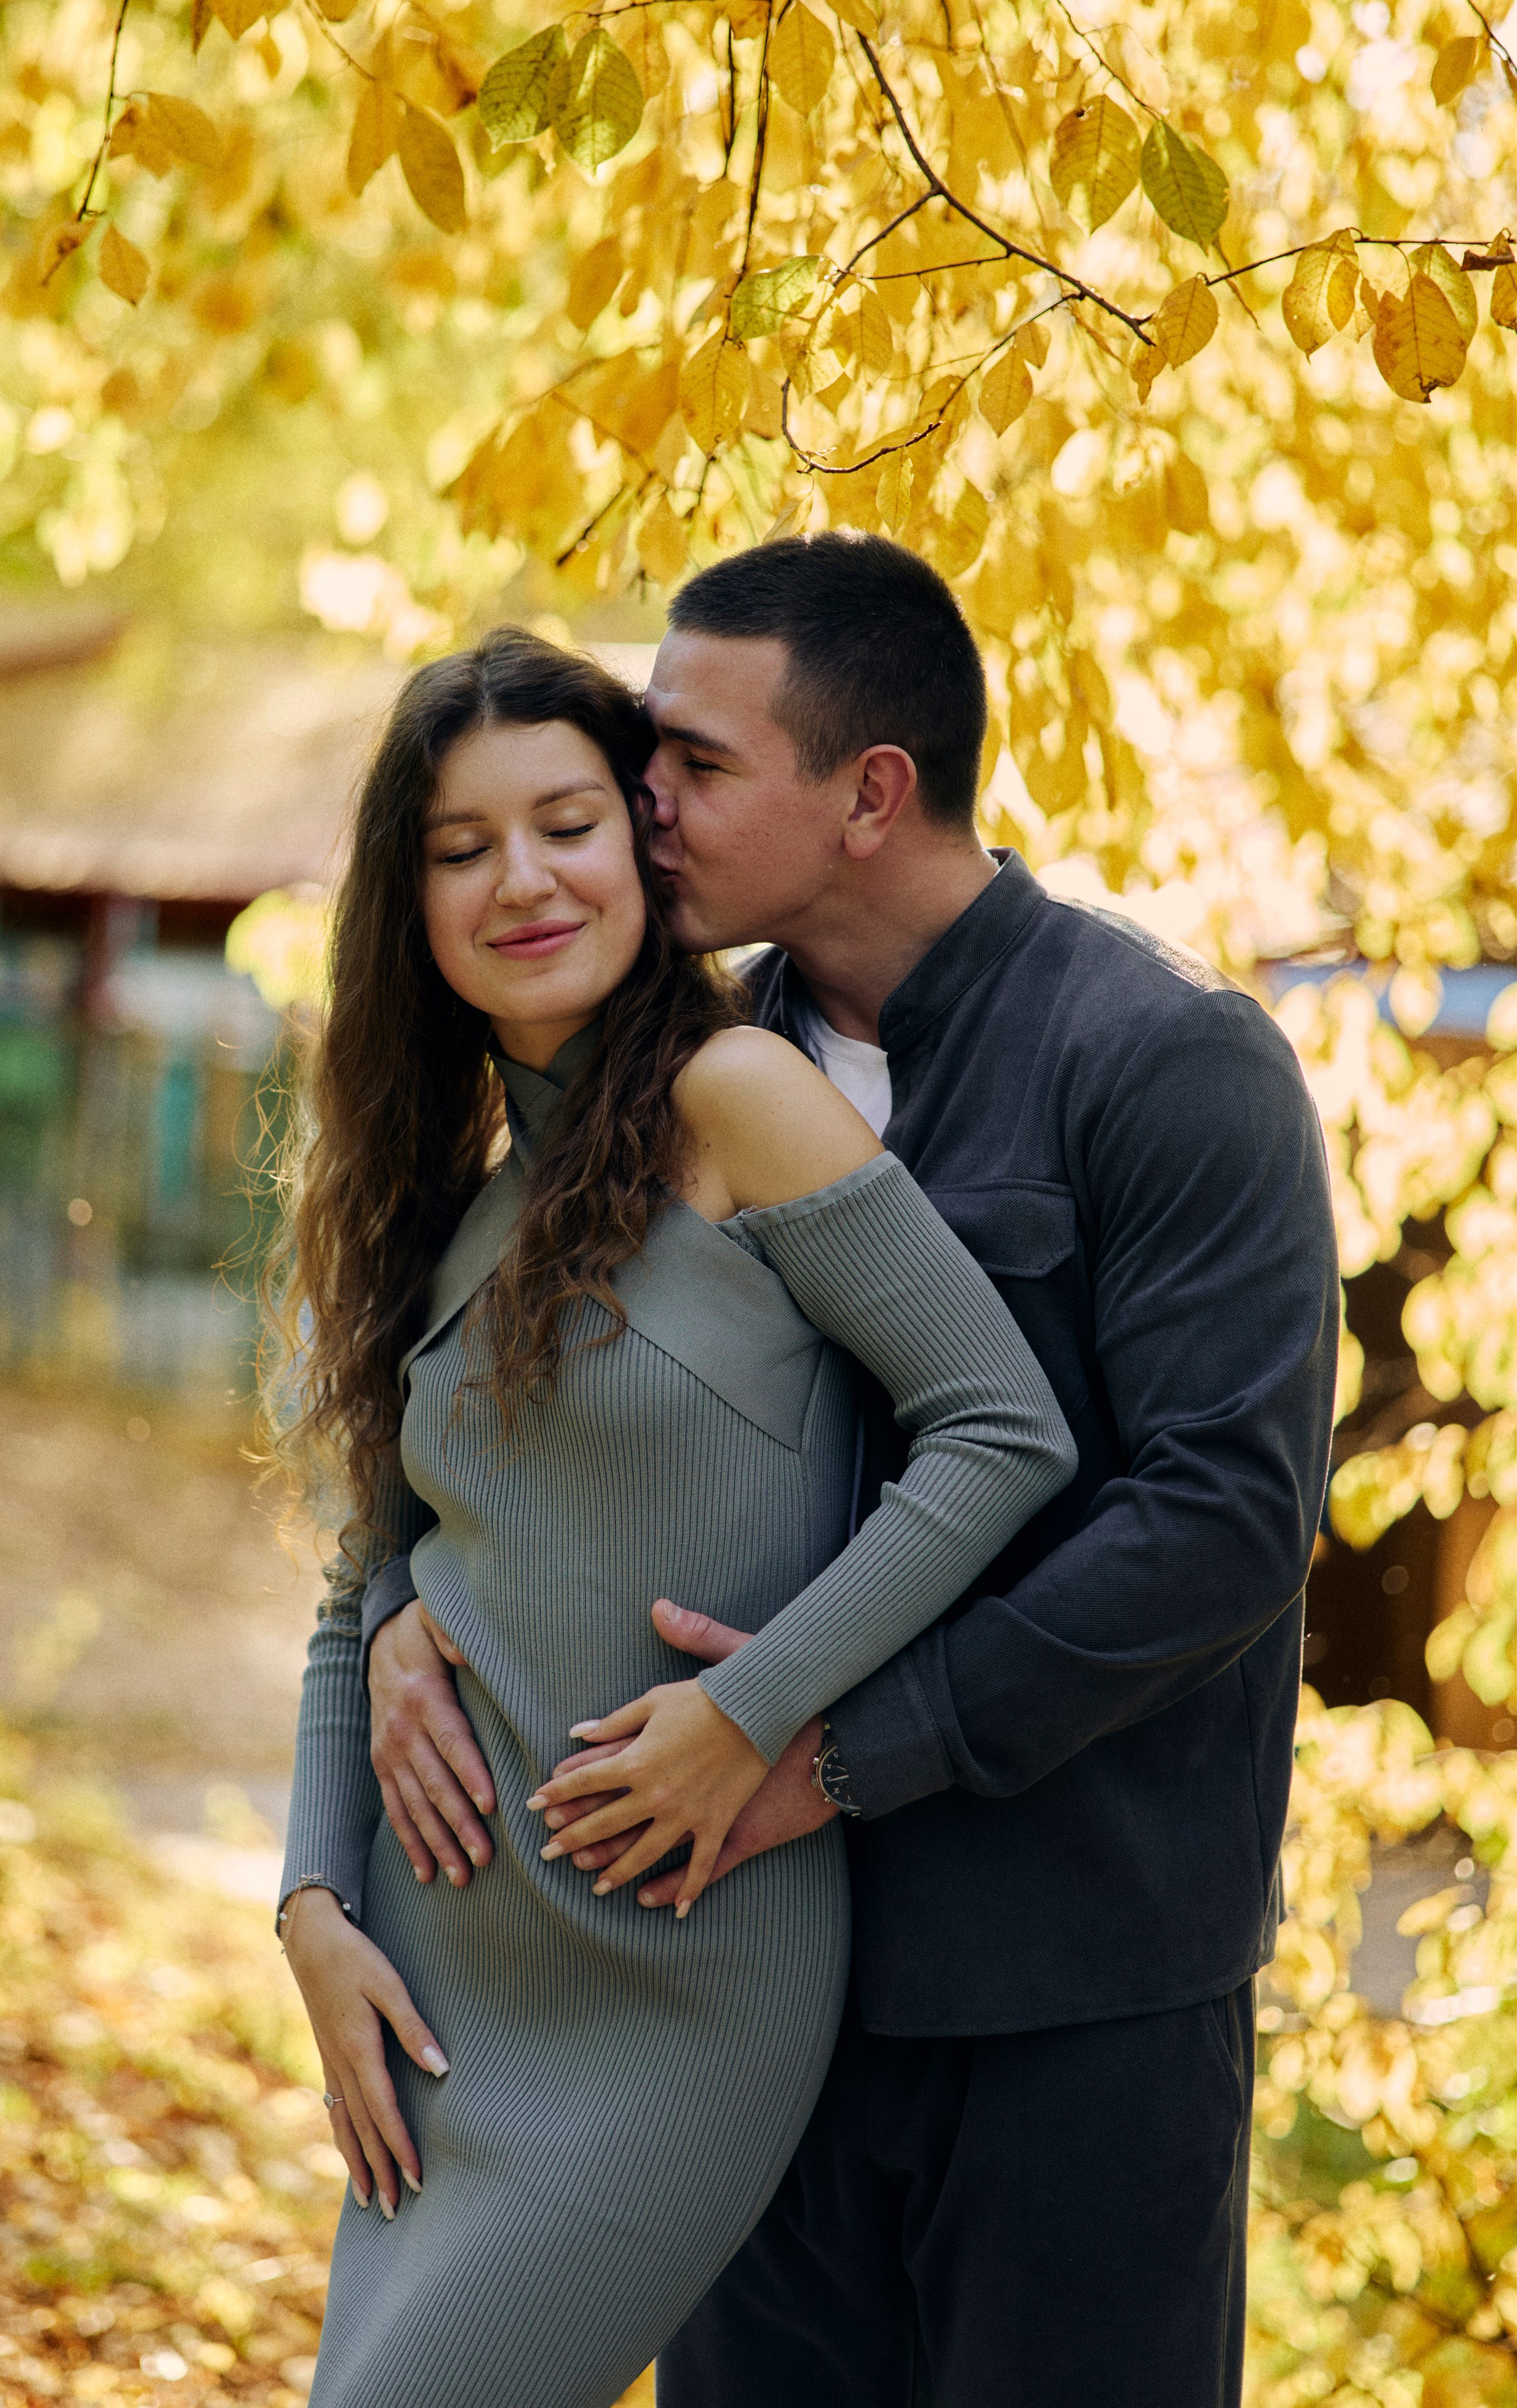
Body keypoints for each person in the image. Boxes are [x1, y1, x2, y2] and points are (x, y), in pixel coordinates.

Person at [359, 535, 1342, 2407]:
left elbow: (1225, 1523)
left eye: (696, 766)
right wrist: (408, 1612)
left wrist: (831, 1749)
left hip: (1074, 1991)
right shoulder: (682, 1083)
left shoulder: (1168, 1062)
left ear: (871, 794)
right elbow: (531, 1431)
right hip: (738, 1999)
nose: (641, 809)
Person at [271, 624, 1076, 2408]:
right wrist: (314, 1907)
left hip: (672, 1987)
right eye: (458, 847)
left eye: (563, 822)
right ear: (404, 900)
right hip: (429, 2009)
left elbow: (999, 1433)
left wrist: (751, 1707)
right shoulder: (456, 1195)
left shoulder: (735, 1100)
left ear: (639, 845)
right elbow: (361, 1580)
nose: (518, 881)